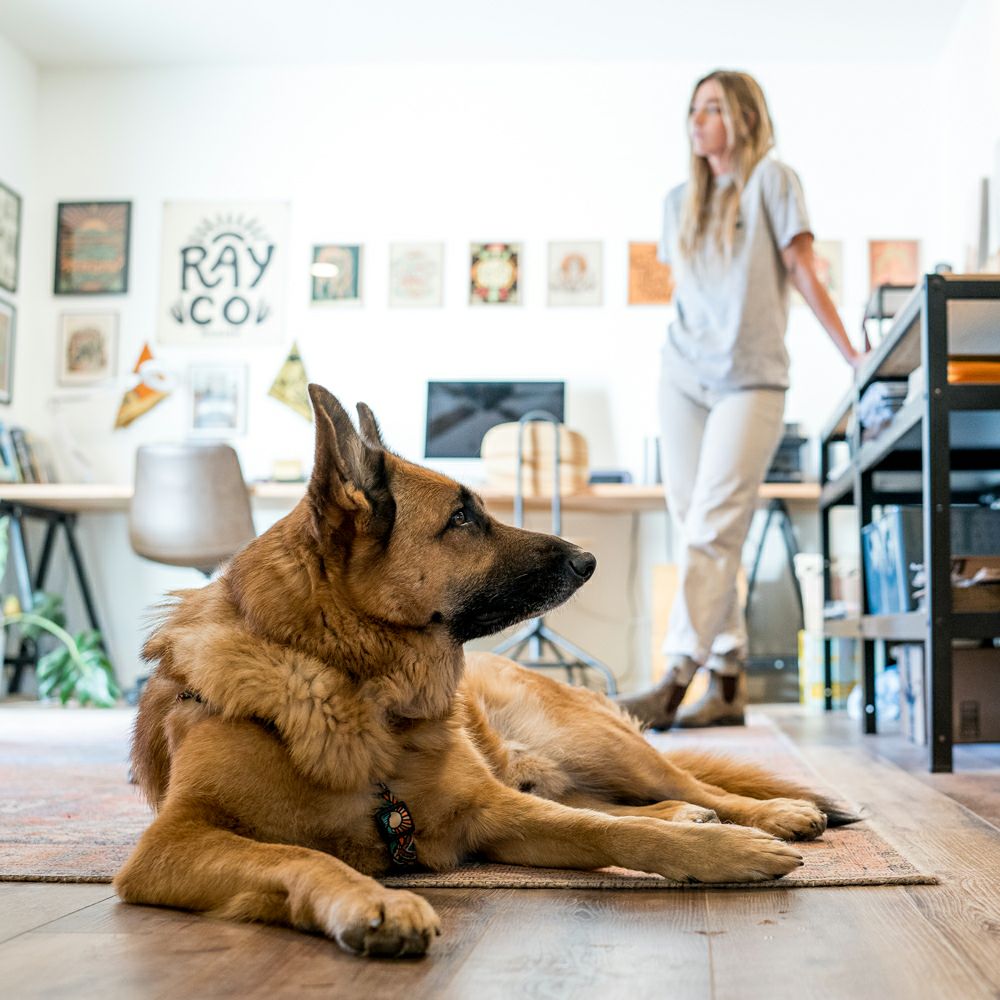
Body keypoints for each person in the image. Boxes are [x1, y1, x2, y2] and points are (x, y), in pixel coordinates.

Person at [617, 70, 864, 730]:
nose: (697, 121)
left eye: (713, 108)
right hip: (682, 374)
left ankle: (675, 677)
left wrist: (852, 354)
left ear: (745, 117)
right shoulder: (678, 201)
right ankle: (728, 682)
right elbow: (694, 290)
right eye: (693, 109)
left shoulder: (773, 181)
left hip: (750, 378)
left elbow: (803, 268)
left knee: (712, 524)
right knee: (694, 521)